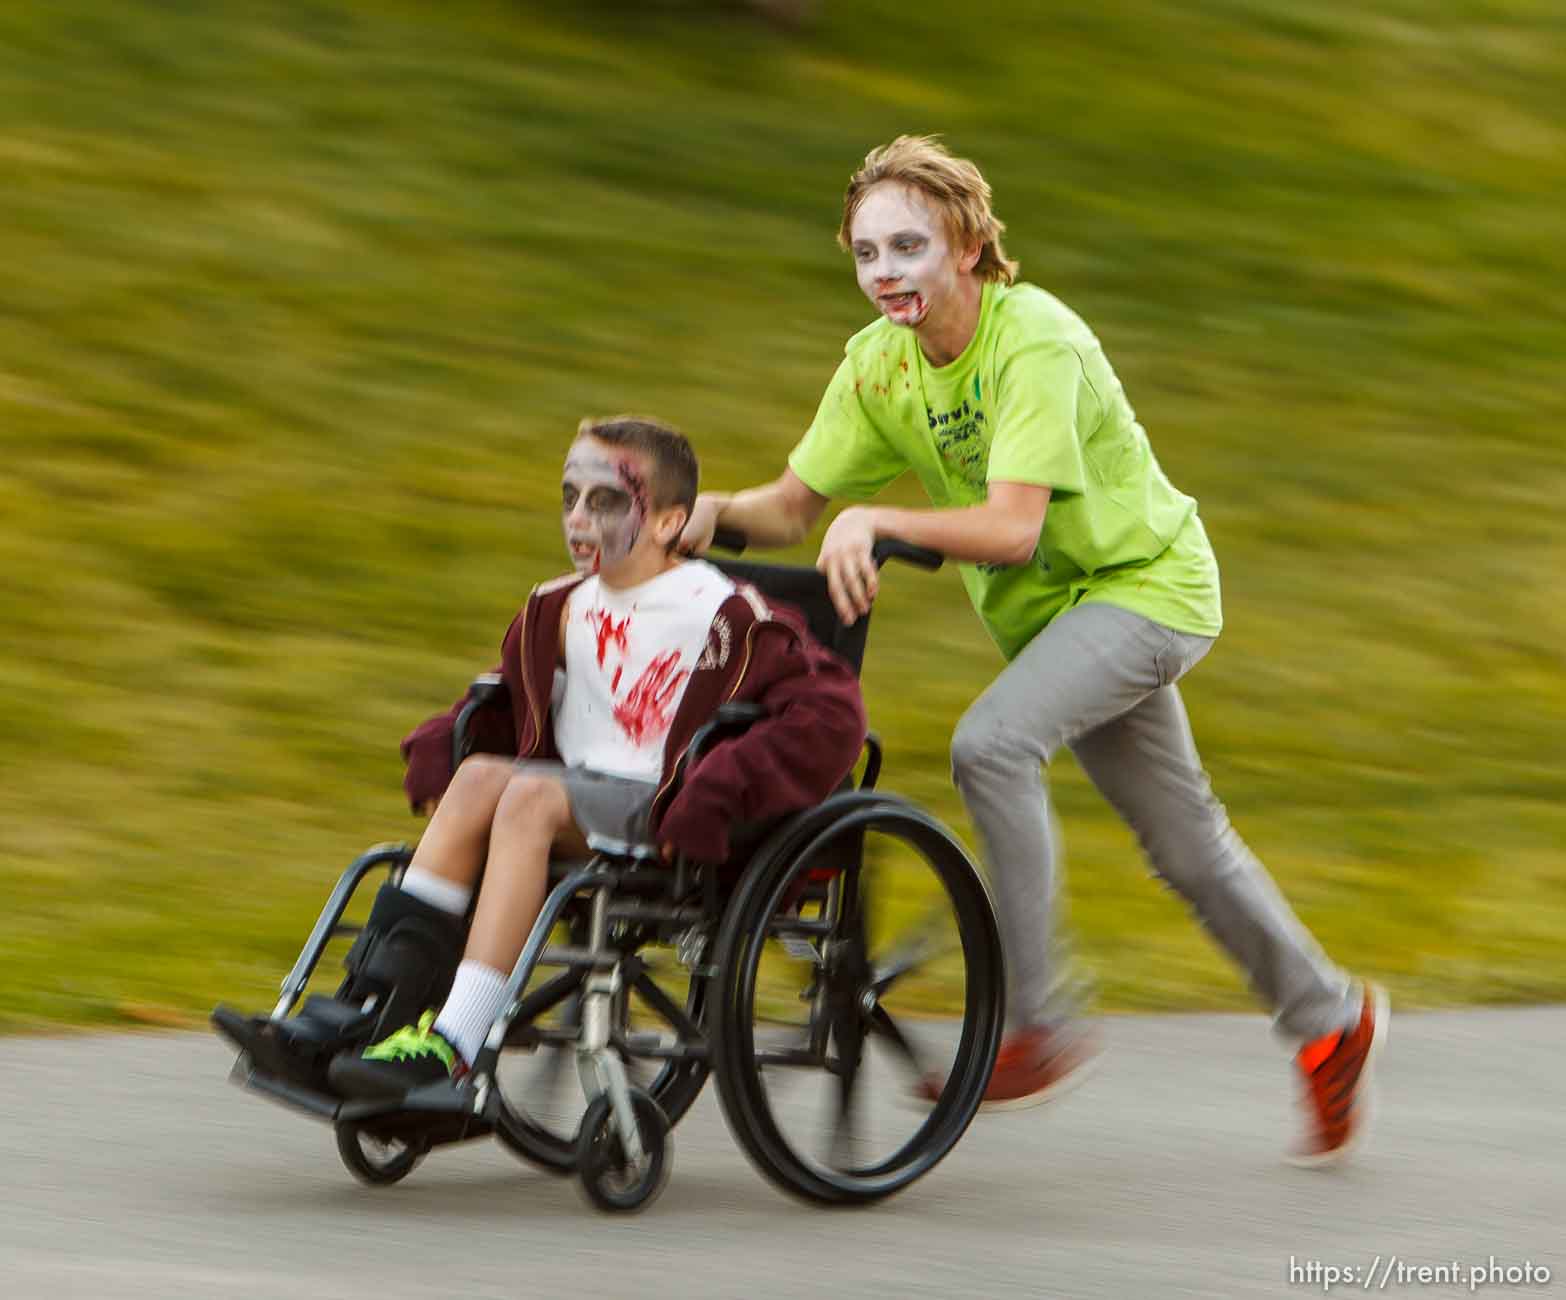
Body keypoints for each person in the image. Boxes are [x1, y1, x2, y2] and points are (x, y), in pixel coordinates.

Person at [678, 136, 1387, 1166]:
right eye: (867, 253)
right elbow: (791, 505)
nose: (886, 273)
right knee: (1186, 844)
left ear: (966, 246)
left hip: (1145, 588)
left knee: (993, 743)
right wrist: (701, 515)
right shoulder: (879, 367)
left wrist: (878, 522)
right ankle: (1332, 1015)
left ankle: (1038, 1021)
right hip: (1059, 619)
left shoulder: (1033, 341)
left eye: (909, 246)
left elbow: (1012, 528)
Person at [329, 415, 867, 1098]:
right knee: (475, 779)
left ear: (671, 522)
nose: (578, 519)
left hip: (665, 806)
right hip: (580, 792)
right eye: (569, 498)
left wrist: (717, 792)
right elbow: (508, 701)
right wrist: (444, 744)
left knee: (528, 799)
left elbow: (833, 716)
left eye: (606, 501)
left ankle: (458, 1046)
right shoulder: (558, 607)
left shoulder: (731, 616)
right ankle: (371, 1005)